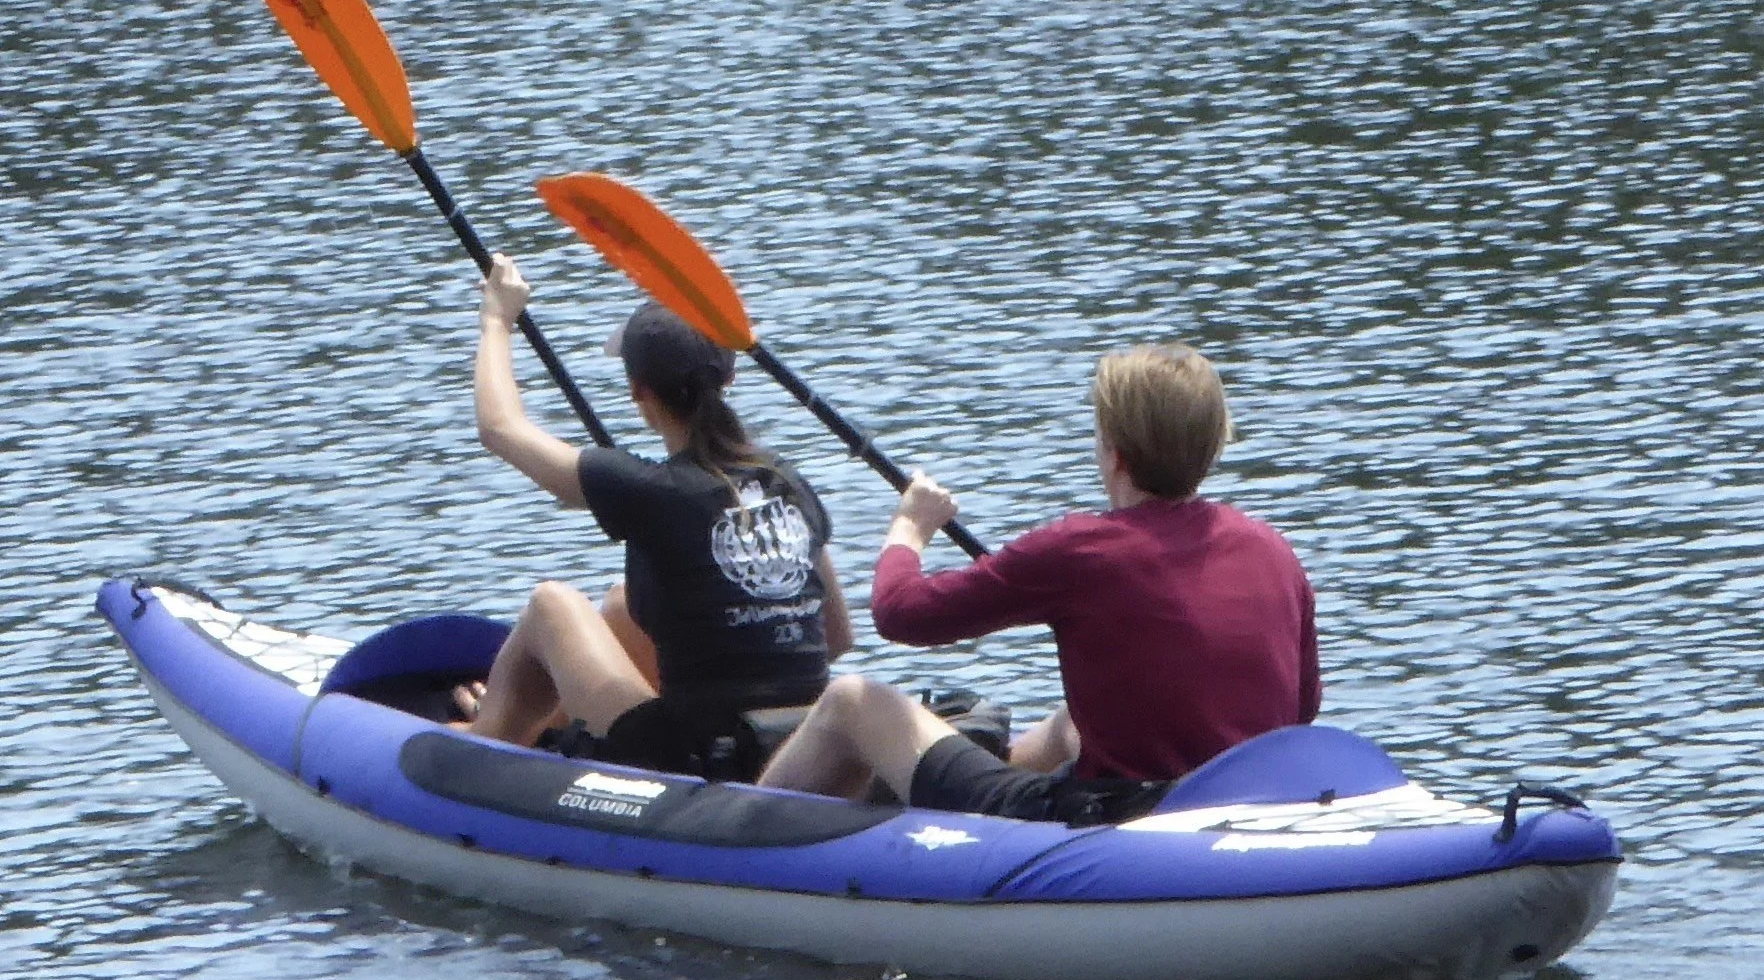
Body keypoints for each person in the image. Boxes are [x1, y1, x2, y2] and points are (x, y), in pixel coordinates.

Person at [757, 345, 1319, 829]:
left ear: (1115, 454)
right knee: (1069, 722)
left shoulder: (1081, 547)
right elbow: (1302, 704)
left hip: (1119, 816)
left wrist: (909, 529)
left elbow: (899, 613)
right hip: (1235, 797)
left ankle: (723, 839)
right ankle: (954, 791)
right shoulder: (1270, 545)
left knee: (853, 700)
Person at [460, 258, 851, 777]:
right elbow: (837, 637)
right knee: (623, 605)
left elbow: (500, 428)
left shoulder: (650, 489)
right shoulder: (788, 481)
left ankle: (478, 749)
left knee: (552, 604)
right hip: (799, 737)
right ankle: (541, 724)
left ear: (638, 392)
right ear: (728, 378)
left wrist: (496, 320)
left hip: (700, 753)